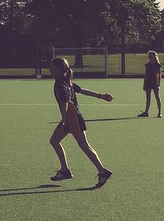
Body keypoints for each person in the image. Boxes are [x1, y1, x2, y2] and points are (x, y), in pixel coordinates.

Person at [47, 57, 114, 185]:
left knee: (84, 146)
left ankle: (102, 171)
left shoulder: (61, 83)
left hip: (72, 119)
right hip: (71, 118)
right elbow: (82, 91)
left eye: (52, 67)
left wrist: (63, 120)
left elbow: (65, 103)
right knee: (54, 141)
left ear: (58, 69)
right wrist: (101, 96)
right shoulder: (66, 81)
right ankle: (65, 170)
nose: (50, 69)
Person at [138, 50, 162, 118]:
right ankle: (146, 112)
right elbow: (145, 75)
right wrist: (144, 84)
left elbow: (159, 76)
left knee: (157, 97)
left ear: (154, 57)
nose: (150, 57)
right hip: (148, 82)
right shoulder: (147, 65)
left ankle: (160, 112)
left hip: (155, 83)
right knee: (148, 98)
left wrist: (158, 84)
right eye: (149, 56)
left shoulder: (158, 65)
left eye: (151, 56)